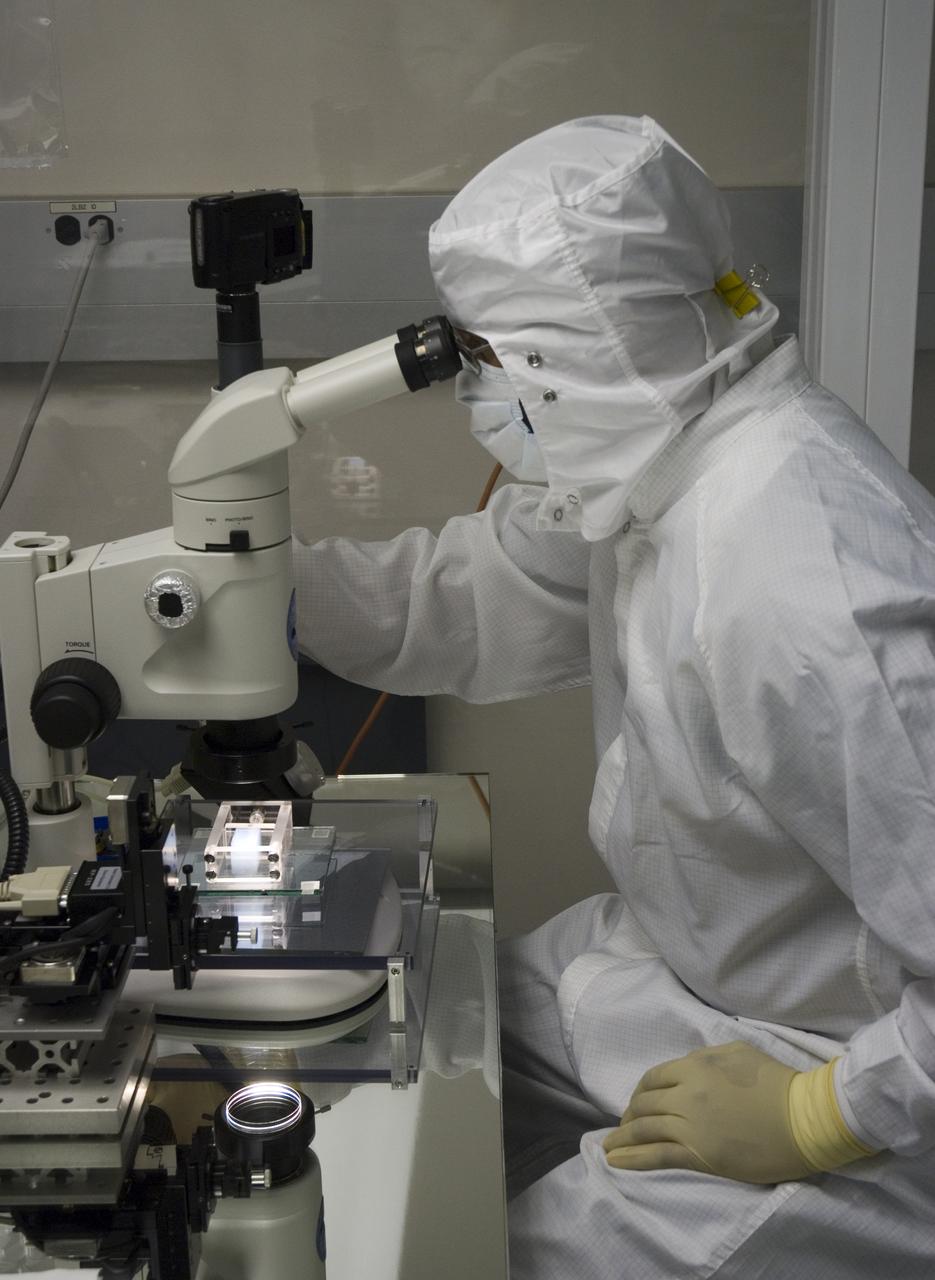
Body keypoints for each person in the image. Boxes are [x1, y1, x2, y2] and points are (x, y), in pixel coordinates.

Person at [293, 116, 935, 1278]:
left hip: (864, 1093)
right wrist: (229, 587)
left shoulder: (810, 588)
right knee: (425, 1027)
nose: (475, 392)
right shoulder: (665, 471)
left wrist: (814, 1116)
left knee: (466, 1253)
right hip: (694, 984)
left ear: (567, 356)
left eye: (485, 359)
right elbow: (473, 593)